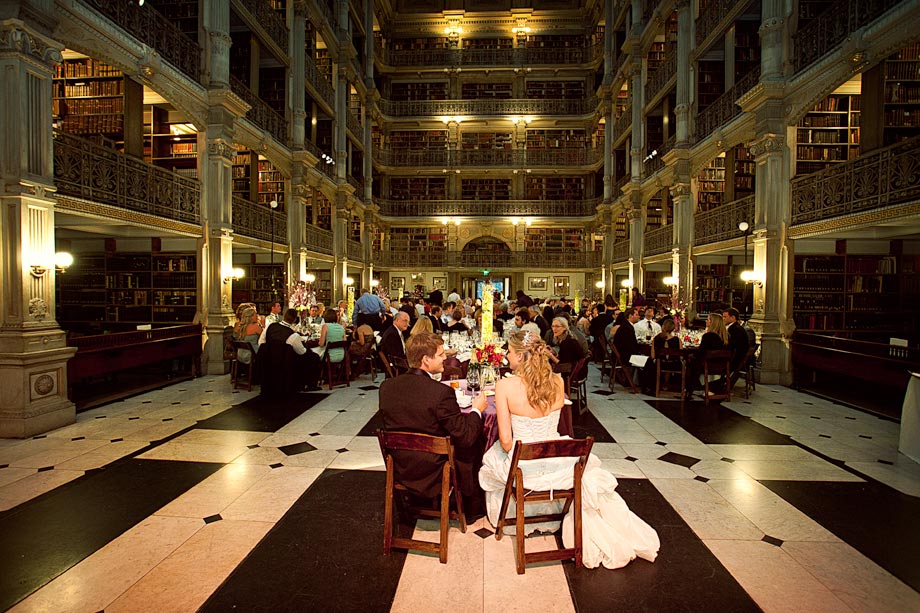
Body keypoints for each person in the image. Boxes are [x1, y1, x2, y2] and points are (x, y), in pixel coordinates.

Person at [478, 331, 660, 569]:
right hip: (559, 464)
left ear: (521, 357)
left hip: (523, 469)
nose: (506, 356)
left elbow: (505, 441)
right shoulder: (557, 381)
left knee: (491, 458)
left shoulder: (504, 386)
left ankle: (512, 516)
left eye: (509, 352)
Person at [379, 332, 487, 516]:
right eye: (441, 354)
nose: (445, 358)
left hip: (400, 467)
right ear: (426, 360)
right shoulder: (440, 393)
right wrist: (477, 409)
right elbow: (466, 437)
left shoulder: (386, 387)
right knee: (473, 443)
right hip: (434, 472)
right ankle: (471, 506)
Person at [261, 308, 322, 393]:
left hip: (269, 361)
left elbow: (261, 343)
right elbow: (302, 352)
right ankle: (310, 384)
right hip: (286, 363)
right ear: (294, 320)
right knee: (313, 357)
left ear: (284, 316)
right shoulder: (292, 335)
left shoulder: (270, 327)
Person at [685, 312, 729, 398]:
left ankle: (690, 387)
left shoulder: (709, 336)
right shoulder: (726, 336)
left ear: (713, 322)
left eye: (708, 319)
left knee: (689, 360)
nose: (706, 321)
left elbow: (701, 352)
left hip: (708, 365)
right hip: (722, 365)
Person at [641, 318, 680, 393]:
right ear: (673, 328)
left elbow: (653, 356)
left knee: (649, 361)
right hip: (675, 365)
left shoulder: (656, 339)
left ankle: (652, 385)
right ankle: (671, 384)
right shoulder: (677, 340)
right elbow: (681, 356)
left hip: (660, 364)